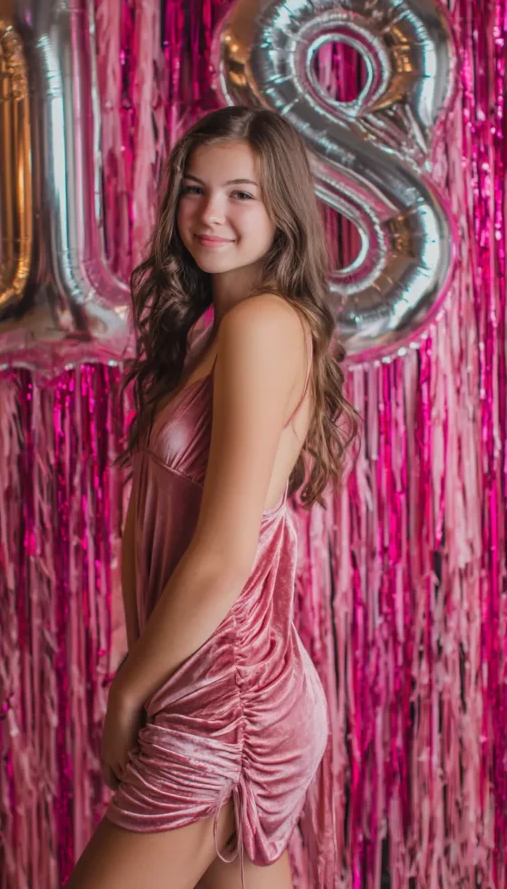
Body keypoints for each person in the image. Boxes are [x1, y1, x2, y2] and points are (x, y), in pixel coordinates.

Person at [65, 106, 359, 889]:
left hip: (226, 699)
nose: (209, 214)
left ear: (283, 211)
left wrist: (130, 690)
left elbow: (227, 551)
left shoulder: (264, 324)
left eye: (241, 195)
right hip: (216, 685)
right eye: (194, 189)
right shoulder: (212, 332)